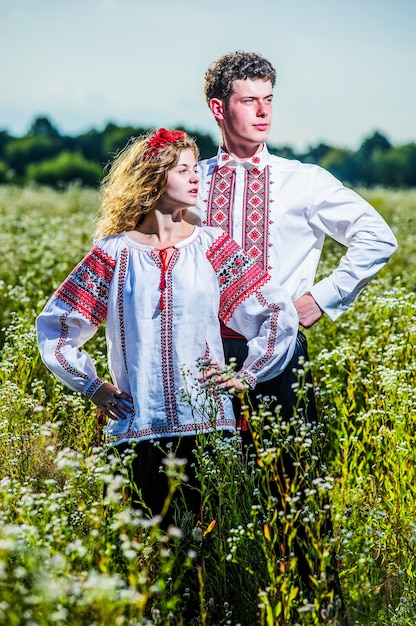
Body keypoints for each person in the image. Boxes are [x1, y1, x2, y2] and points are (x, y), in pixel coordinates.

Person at [186, 51, 398, 623]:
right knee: (198, 491)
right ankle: (212, 605)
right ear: (218, 108)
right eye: (249, 100)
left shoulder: (302, 180)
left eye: (269, 100)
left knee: (294, 489)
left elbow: (377, 237)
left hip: (280, 355)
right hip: (198, 358)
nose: (262, 112)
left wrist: (321, 299)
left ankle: (314, 609)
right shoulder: (190, 181)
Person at [36, 127, 299, 530]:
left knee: (209, 552)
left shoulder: (212, 245)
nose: (196, 177)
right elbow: (56, 327)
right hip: (137, 426)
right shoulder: (113, 253)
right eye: (183, 169)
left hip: (209, 425)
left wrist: (247, 373)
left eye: (196, 169)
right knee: (148, 553)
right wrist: (92, 386)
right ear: (155, 176)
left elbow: (274, 311)